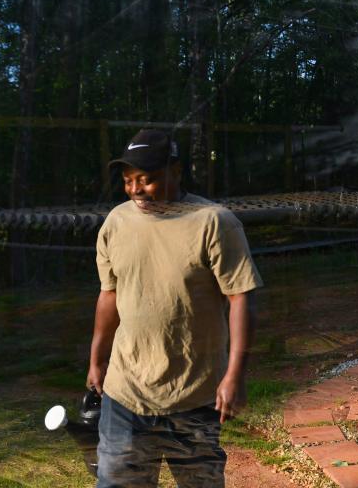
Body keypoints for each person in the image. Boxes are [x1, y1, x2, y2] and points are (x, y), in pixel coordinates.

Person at [87, 128, 262, 488]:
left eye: (147, 179)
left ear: (176, 172)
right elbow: (109, 295)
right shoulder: (116, 223)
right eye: (128, 180)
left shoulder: (214, 222)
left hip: (193, 394)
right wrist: (97, 359)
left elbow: (241, 296)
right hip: (125, 392)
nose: (136, 189)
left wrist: (235, 374)